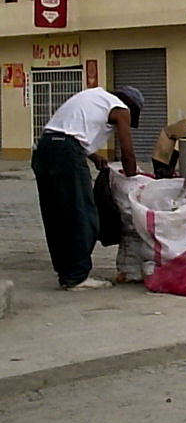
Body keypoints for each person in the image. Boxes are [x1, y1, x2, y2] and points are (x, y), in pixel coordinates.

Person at [31, 85, 143, 290]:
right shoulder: (121, 109)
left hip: (44, 150)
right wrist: (134, 178)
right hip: (66, 154)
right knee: (82, 214)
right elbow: (127, 153)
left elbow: (67, 130)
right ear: (130, 105)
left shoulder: (94, 95)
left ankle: (66, 272)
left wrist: (93, 155)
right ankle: (77, 277)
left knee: (56, 215)